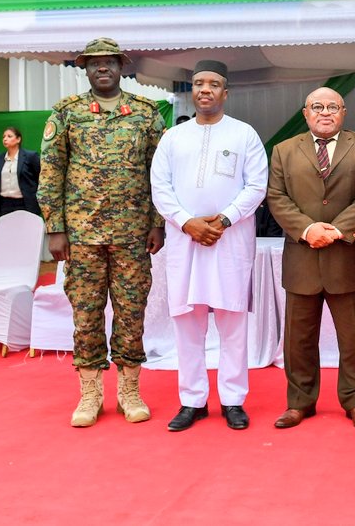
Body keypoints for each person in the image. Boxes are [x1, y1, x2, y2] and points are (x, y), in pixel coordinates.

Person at [38, 37, 166, 427]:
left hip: (131, 234)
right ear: (86, 70)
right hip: (81, 235)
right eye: (94, 63)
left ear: (121, 66)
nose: (103, 68)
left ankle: (129, 390)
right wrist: (54, 228)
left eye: (110, 62)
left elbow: (160, 174)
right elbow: (51, 171)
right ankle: (90, 393)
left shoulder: (146, 114)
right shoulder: (66, 113)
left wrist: (158, 223)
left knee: (131, 313)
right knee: (87, 313)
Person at [150, 60, 268, 431]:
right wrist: (187, 223)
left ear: (225, 92)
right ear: (192, 90)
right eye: (198, 83)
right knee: (188, 322)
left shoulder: (244, 134)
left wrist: (224, 220)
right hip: (185, 242)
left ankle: (233, 399)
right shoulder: (173, 137)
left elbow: (256, 186)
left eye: (213, 84)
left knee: (233, 321)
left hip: (229, 241)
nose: (204, 89)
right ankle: (192, 400)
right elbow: (160, 187)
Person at [267, 87, 355, 430]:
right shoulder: (284, 150)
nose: (325, 112)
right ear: (306, 113)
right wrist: (306, 229)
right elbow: (276, 197)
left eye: (333, 106)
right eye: (318, 106)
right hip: (302, 257)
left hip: (347, 256)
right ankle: (299, 402)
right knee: (298, 339)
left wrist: (336, 230)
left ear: (344, 113)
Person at [0, 127, 42, 217]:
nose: (5, 139)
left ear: (18, 139)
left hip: (24, 203)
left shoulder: (30, 156)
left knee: (25, 229)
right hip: (4, 204)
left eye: (9, 136)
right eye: (3, 137)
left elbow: (39, 178)